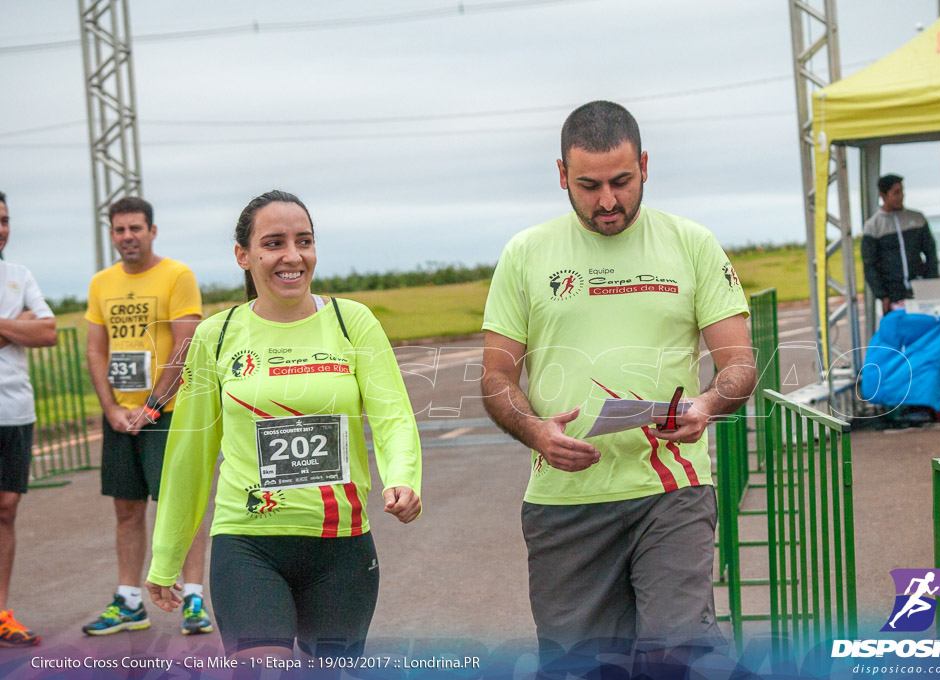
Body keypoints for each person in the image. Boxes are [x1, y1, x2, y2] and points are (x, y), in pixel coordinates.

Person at [481, 101, 756, 677]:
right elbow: (496, 377)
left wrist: (706, 403)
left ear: (645, 166)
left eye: (621, 182)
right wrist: (535, 431)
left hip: (671, 489)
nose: (608, 200)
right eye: (588, 185)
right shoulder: (526, 254)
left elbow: (739, 366)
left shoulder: (692, 244)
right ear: (561, 176)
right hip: (565, 503)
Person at [145, 190, 422, 660]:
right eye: (273, 243)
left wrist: (403, 478)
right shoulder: (217, 335)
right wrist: (166, 555)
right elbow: (190, 454)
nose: (292, 256)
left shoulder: (352, 322)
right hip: (248, 544)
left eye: (304, 241)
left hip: (340, 548)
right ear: (244, 255)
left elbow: (393, 415)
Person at [82, 197, 212, 636]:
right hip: (122, 418)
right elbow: (96, 349)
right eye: (119, 230)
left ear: (152, 231)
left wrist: (154, 405)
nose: (127, 237)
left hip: (169, 413)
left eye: (135, 228)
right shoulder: (101, 283)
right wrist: (112, 409)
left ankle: (193, 597)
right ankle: (129, 601)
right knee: (126, 509)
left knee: (182, 506)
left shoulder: (177, 276)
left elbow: (185, 344)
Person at [0, 191, 57, 647]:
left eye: (4, 220)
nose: (1, 229)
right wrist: (13, 323)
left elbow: (49, 331)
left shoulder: (19, 275)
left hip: (14, 411)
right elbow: (29, 329)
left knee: (6, 509)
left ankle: (1, 614)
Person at [861, 174, 939, 314]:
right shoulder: (873, 226)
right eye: (896, 193)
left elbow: (930, 252)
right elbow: (870, 264)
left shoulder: (917, 219)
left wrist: (931, 280)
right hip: (892, 294)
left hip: (920, 288)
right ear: (883, 195)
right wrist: (882, 295)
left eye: (902, 191)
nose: (901, 196)